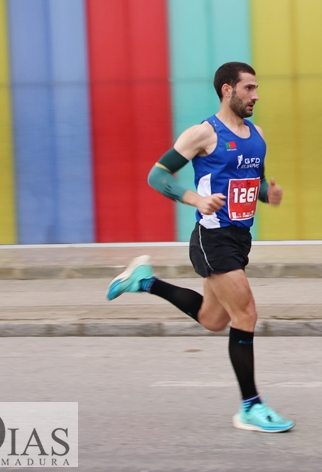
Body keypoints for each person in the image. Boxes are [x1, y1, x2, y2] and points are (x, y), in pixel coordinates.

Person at [105, 62, 294, 433]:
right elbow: (157, 175)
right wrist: (194, 199)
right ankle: (250, 407)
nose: (255, 96)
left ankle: (145, 281)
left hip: (239, 237)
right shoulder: (203, 133)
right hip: (212, 237)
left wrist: (266, 195)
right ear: (227, 90)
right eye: (249, 88)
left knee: (213, 320)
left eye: (256, 89)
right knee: (246, 315)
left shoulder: (258, 134)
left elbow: (248, 184)